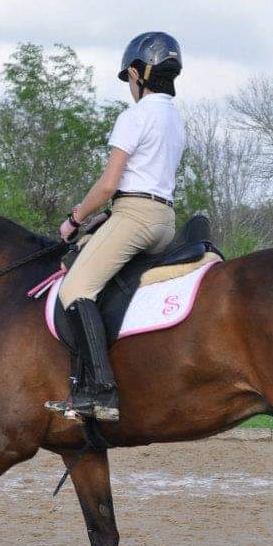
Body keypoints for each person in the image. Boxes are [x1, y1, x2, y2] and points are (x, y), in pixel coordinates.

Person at [47, 32, 186, 422]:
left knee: (75, 287)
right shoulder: (175, 119)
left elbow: (109, 184)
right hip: (163, 221)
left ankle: (100, 391)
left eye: (129, 78)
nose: (129, 86)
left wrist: (74, 219)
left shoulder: (135, 116)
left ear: (139, 72)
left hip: (136, 218)